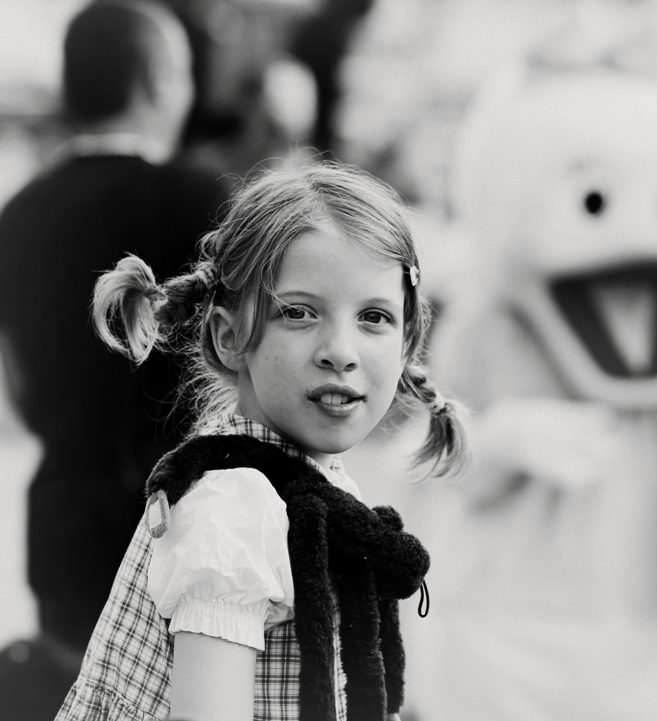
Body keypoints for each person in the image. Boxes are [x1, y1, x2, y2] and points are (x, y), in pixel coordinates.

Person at [54, 161, 466, 721]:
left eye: (373, 317)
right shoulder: (234, 506)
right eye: (299, 313)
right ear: (230, 337)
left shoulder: (311, 486)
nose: (340, 351)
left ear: (407, 343)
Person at [0, 0, 228, 708]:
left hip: (62, 527)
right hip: (188, 533)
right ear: (159, 80)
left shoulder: (19, 214)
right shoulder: (198, 203)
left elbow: (16, 385)